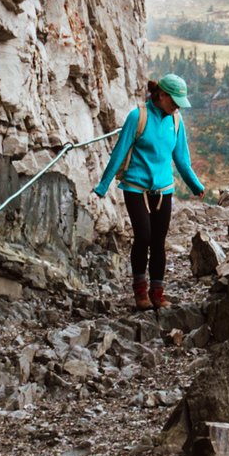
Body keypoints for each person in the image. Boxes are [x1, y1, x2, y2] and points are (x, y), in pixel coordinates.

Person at [94, 68, 208, 309]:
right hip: (136, 187)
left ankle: (158, 293)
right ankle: (140, 291)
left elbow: (181, 159)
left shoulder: (177, 121)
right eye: (175, 102)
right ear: (162, 96)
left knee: (158, 241)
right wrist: (103, 186)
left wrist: (195, 185)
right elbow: (120, 152)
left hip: (164, 190)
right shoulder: (138, 117)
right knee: (143, 237)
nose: (177, 108)